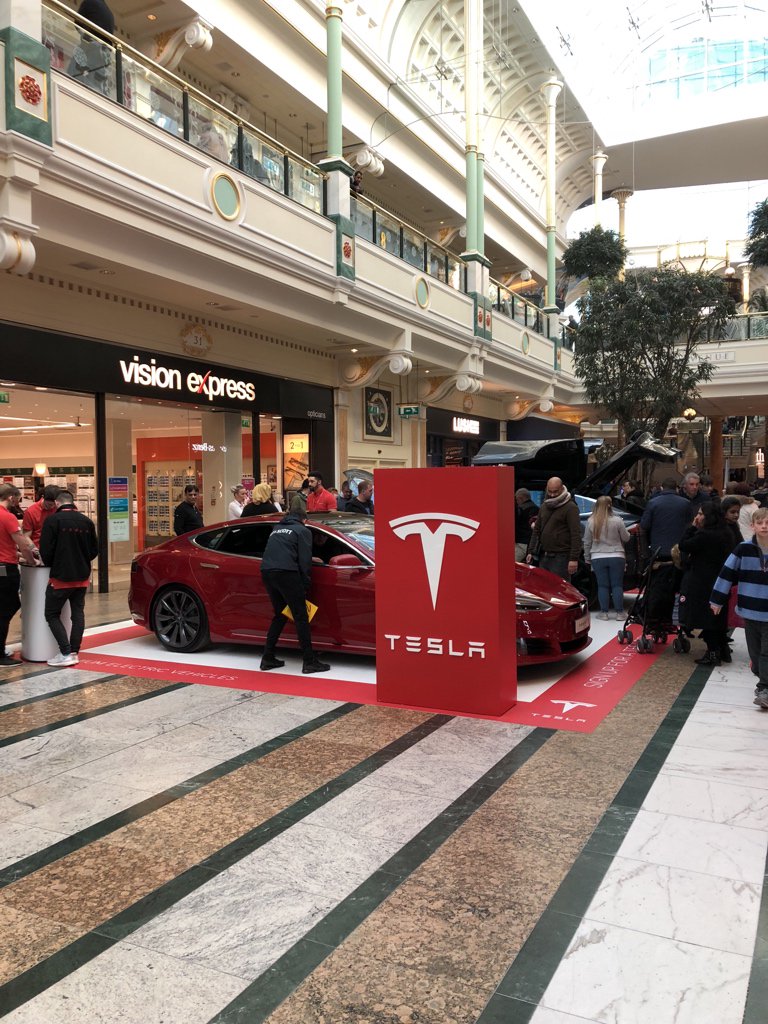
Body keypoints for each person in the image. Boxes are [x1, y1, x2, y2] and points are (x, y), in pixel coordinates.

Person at [259, 508, 330, 674]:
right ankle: (309, 661)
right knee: (300, 616)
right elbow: (304, 560)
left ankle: (267, 658)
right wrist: (305, 584)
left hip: (267, 571)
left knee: (280, 614)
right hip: (287, 573)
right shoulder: (303, 530)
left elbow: (286, 550)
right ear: (303, 519)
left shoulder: (277, 529)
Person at [710, 507, 768, 709]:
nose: (764, 526)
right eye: (760, 523)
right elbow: (726, 573)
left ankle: (764, 690)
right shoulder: (743, 549)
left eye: (767, 523)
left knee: (766, 653)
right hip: (750, 610)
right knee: (755, 653)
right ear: (752, 526)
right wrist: (717, 600)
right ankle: (762, 676)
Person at [39, 490, 98, 668]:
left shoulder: (52, 521)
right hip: (81, 577)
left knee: (51, 614)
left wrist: (51, 563)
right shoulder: (87, 522)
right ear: (72, 503)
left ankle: (65, 652)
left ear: (57, 503)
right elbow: (94, 550)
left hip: (60, 577)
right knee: (78, 614)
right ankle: (74, 652)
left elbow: (45, 551)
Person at [678, 501, 734, 666]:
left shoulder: (705, 535)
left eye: (701, 513)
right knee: (718, 616)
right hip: (721, 580)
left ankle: (712, 653)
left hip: (703, 581)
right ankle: (722, 649)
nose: (698, 516)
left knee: (707, 617)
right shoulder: (726, 532)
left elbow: (684, 545)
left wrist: (692, 527)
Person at [0, 485, 41, 666]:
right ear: (10, 498)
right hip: (5, 568)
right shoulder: (7, 517)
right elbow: (23, 544)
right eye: (18, 498)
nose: (18, 502)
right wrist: (32, 561)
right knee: (7, 607)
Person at [583, 496, 630, 621]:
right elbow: (626, 538)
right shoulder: (617, 520)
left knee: (602, 586)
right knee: (617, 585)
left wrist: (587, 558)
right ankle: (620, 613)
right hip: (617, 555)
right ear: (611, 505)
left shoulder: (591, 521)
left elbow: (587, 542)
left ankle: (604, 613)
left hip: (597, 556)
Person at [526, 476, 580, 581]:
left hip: (561, 557)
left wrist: (573, 558)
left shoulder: (571, 507)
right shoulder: (544, 506)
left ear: (561, 488)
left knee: (559, 590)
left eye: (555, 491)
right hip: (544, 555)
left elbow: (575, 534)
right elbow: (537, 530)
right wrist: (531, 551)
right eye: (549, 491)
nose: (552, 494)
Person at [640, 477, 691, 558]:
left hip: (658, 549)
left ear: (662, 488)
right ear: (676, 488)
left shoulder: (653, 503)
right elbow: (689, 525)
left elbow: (644, 525)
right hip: (679, 550)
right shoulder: (686, 503)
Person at [514, 488, 538, 562]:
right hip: (531, 544)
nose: (516, 502)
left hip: (521, 543)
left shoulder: (520, 510)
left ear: (520, 498)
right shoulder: (537, 509)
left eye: (517, 500)